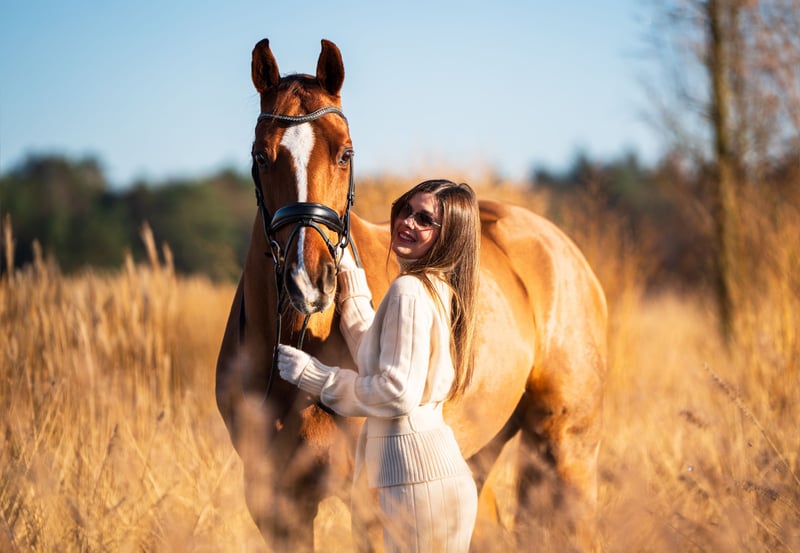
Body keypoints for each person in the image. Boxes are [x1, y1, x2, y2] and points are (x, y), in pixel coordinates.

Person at [277, 179, 481, 553]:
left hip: (417, 486)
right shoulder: (433, 286)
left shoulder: (409, 291)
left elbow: (396, 391)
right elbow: (380, 352)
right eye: (406, 210)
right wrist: (350, 279)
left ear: (448, 236)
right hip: (432, 479)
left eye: (425, 220)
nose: (407, 222)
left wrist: (317, 377)